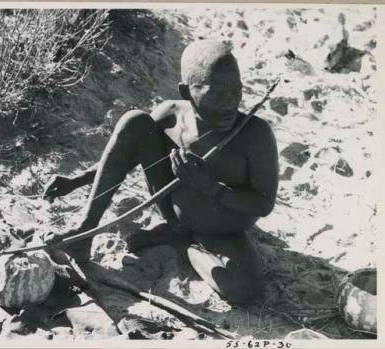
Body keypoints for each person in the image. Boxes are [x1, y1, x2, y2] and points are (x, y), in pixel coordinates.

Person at [43, 40, 279, 304]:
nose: (229, 104)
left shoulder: (255, 134)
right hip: (172, 209)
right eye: (216, 94)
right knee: (134, 121)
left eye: (236, 92)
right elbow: (126, 152)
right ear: (186, 91)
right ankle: (85, 231)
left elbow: (263, 203)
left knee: (246, 290)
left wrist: (211, 187)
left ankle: (181, 243)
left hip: (222, 230)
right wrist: (76, 181)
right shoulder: (171, 114)